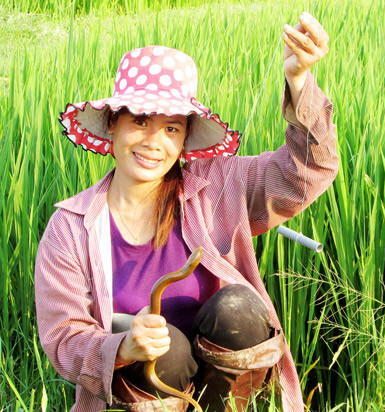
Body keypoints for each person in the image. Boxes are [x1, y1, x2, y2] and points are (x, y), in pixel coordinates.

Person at [35, 11, 337, 412]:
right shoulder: (70, 228)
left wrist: (299, 79)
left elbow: (308, 172)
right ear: (112, 125)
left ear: (184, 140)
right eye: (140, 121)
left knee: (239, 309)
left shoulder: (216, 187)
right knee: (168, 350)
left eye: (171, 128)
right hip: (138, 394)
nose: (153, 142)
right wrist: (123, 346)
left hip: (218, 385)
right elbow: (63, 338)